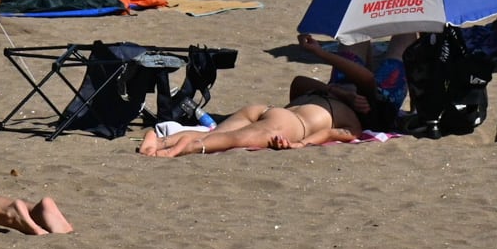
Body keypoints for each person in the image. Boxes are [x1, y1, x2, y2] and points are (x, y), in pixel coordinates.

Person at [137, 32, 394, 157]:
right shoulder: (346, 113)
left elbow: (329, 130)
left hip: (269, 112)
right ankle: (175, 150)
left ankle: (159, 141)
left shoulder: (353, 121)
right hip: (288, 122)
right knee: (229, 140)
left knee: (220, 135)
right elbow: (303, 90)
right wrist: (302, 142)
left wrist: (300, 144)